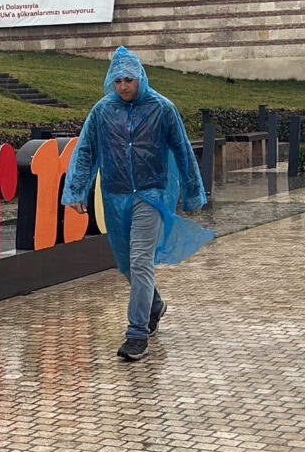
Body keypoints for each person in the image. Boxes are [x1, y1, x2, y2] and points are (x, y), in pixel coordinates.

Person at [62, 45, 215, 361]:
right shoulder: (102, 111)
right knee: (127, 263)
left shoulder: (162, 109)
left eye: (128, 80)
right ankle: (154, 305)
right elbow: (86, 150)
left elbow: (182, 150)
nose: (123, 87)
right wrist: (76, 191)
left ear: (140, 78)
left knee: (141, 260)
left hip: (151, 195)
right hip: (115, 197)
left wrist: (192, 192)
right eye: (117, 81)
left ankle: (136, 334)